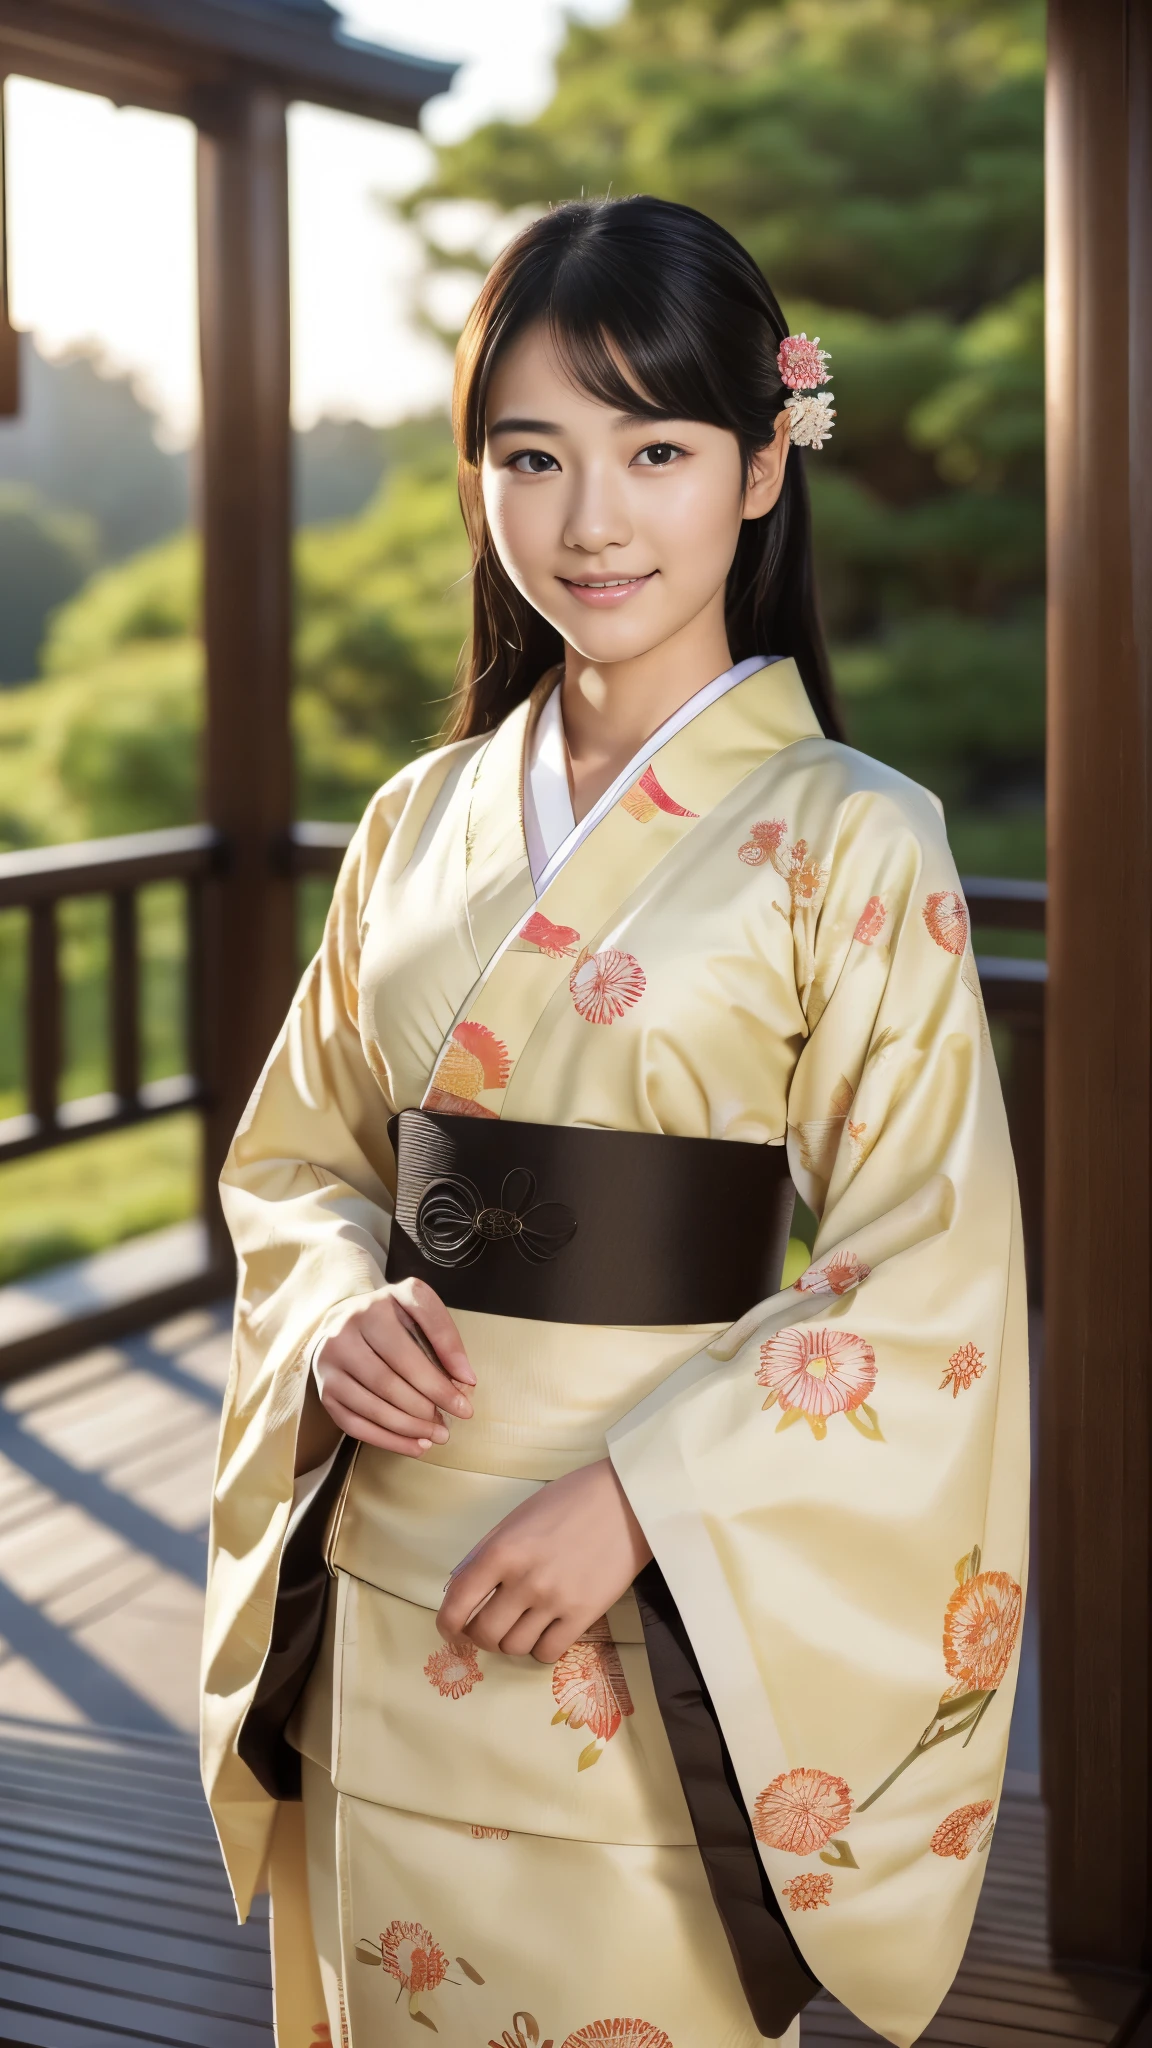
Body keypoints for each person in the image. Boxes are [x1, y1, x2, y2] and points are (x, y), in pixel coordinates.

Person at [201, 196, 1029, 2048]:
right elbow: (302, 1156)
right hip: (389, 1573)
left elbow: (924, 1265)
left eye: (655, 447)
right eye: (533, 454)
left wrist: (645, 1500)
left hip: (654, 1617)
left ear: (760, 464)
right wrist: (335, 1298)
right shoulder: (422, 819)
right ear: (480, 476)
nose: (590, 518)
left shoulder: (854, 833)